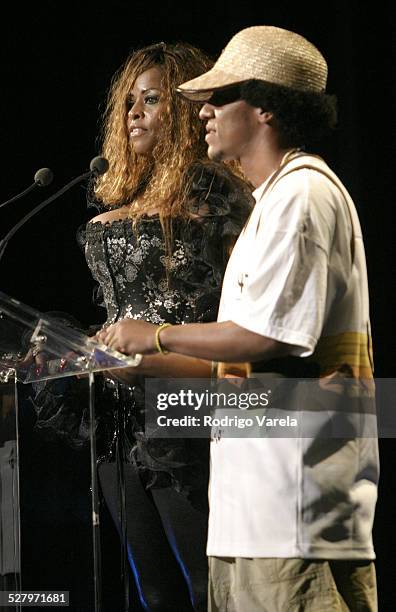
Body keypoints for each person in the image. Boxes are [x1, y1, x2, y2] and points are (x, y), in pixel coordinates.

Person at [98, 26, 379, 611]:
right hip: (255, 506)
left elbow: (272, 335)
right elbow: (241, 362)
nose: (203, 111)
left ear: (267, 107)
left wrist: (153, 333)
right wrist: (146, 364)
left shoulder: (302, 195)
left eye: (221, 97)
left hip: (292, 503)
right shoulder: (271, 203)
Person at [80, 42, 252, 611]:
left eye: (151, 101)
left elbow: (244, 307)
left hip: (186, 405)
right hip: (116, 421)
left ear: (180, 112)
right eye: (128, 102)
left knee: (207, 590)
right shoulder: (120, 196)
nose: (134, 114)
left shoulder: (215, 195)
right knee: (153, 592)